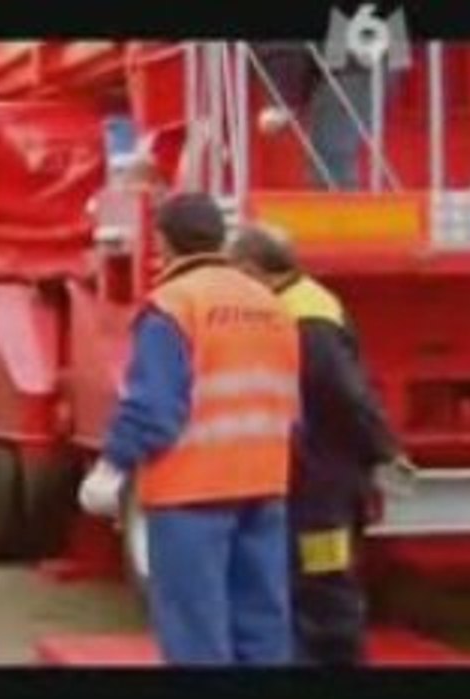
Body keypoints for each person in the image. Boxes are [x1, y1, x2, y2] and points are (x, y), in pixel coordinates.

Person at [78, 192, 301, 666]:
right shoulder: (270, 302)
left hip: (191, 493)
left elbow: (154, 407)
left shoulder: (174, 305)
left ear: (162, 242)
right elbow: (292, 402)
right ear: (221, 239)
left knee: (196, 634)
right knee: (262, 629)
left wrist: (112, 467)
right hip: (264, 484)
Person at [227, 223, 418, 665]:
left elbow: (342, 394)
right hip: (318, 474)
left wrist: (383, 450)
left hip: (323, 483)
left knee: (323, 581)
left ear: (254, 269)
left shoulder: (307, 318)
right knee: (312, 581)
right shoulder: (299, 305)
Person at [253, 42, 398, 190]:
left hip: (354, 60)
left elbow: (283, 49)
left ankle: (341, 210)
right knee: (329, 158)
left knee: (329, 159)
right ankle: (340, 208)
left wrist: (283, 99)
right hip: (366, 54)